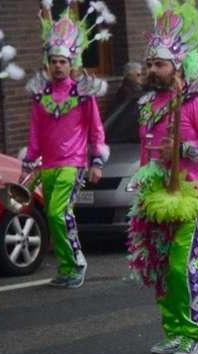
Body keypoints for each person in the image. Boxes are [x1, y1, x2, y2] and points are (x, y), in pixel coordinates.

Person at [127, 0, 198, 354]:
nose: (152, 69)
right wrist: (141, 180)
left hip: (197, 192)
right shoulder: (148, 105)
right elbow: (148, 151)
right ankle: (173, 331)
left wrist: (188, 148)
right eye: (150, 64)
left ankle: (192, 332)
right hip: (157, 194)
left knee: (179, 263)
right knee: (158, 265)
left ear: (178, 65)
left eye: (159, 63)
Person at [22, 3, 113, 288]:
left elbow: (96, 129)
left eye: (63, 61)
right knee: (54, 218)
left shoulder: (84, 94)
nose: (58, 66)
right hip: (48, 165)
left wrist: (97, 161)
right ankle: (65, 267)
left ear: (71, 63)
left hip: (72, 164)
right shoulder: (40, 95)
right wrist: (30, 159)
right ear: (48, 64)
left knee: (56, 213)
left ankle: (77, 262)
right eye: (54, 61)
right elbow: (36, 129)